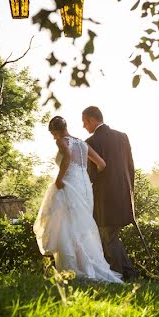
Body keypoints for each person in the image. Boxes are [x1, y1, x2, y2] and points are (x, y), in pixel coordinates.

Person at [33, 116, 123, 283]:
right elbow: (101, 164)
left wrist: (59, 179)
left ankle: (72, 267)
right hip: (84, 186)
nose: (53, 136)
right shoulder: (83, 144)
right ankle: (86, 264)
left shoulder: (61, 141)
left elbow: (66, 157)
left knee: (66, 224)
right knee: (81, 224)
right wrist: (87, 176)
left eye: (52, 133)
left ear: (55, 131)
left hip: (68, 183)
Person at [82, 106, 140, 281]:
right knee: (111, 236)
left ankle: (122, 275)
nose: (84, 126)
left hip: (104, 197)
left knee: (108, 236)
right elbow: (131, 168)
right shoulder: (122, 137)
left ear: (93, 120)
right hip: (123, 194)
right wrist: (130, 192)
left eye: (85, 122)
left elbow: (91, 174)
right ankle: (127, 273)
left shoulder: (91, 142)